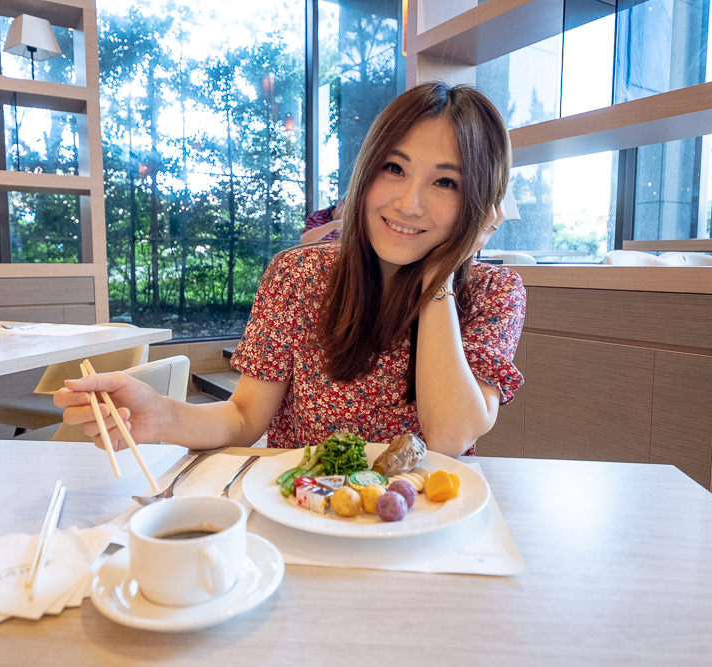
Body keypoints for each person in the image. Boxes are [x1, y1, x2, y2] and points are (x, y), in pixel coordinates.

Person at [56, 82, 525, 458]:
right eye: (394, 169)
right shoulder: (299, 275)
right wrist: (161, 416)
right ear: (366, 171)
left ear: (481, 201)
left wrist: (438, 280)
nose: (409, 204)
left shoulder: (493, 293)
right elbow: (243, 419)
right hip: (303, 517)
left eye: (446, 182)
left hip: (424, 525)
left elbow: (449, 438)